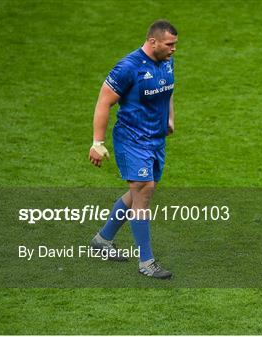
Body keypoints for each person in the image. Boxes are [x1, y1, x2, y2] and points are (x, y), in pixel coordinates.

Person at [88, 19, 178, 279]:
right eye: (169, 44)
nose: (173, 49)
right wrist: (97, 142)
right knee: (144, 191)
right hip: (132, 139)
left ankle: (102, 240)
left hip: (155, 140)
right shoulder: (128, 68)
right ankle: (146, 262)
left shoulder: (167, 61)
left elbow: (168, 91)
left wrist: (170, 119)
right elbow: (104, 101)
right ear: (153, 42)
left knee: (140, 191)